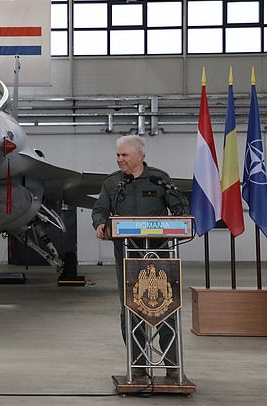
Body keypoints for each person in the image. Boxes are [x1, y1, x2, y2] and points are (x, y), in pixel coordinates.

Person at [91, 135, 188, 380]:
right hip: (127, 256)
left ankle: (172, 368)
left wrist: (179, 213)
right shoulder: (112, 184)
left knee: (165, 308)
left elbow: (179, 205)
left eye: (124, 155)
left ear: (140, 155)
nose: (119, 160)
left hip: (160, 255)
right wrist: (101, 223)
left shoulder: (160, 178)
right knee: (130, 310)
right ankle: (138, 368)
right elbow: (100, 209)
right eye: (118, 155)